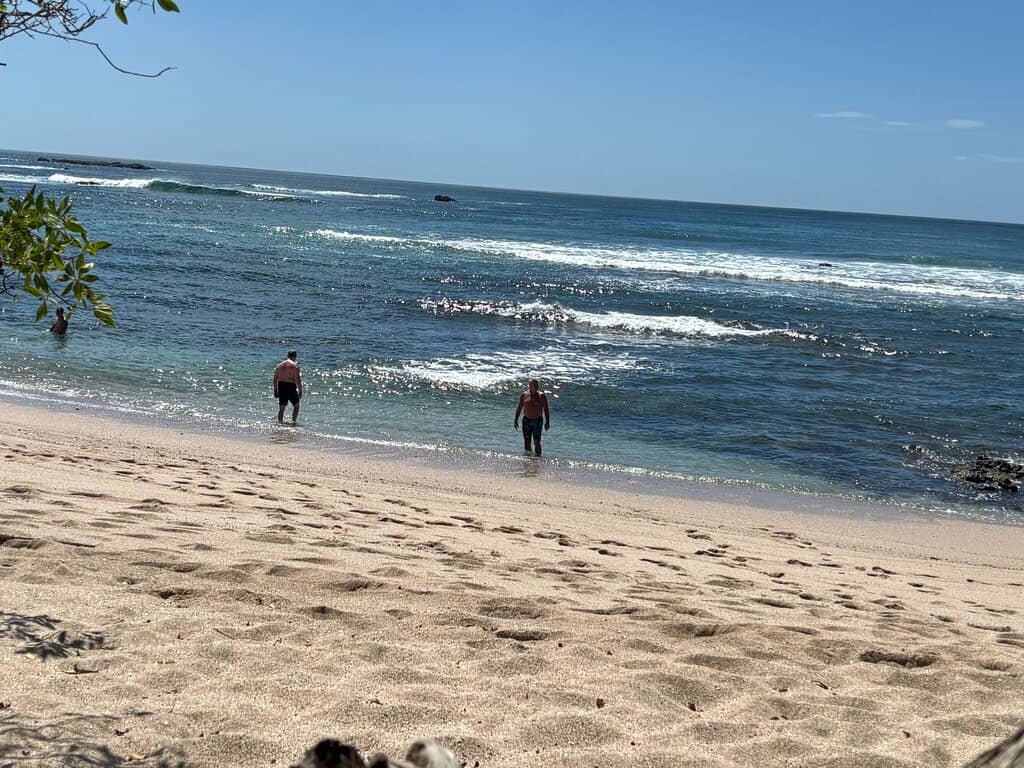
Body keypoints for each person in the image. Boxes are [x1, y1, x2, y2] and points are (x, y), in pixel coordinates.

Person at [513, 378, 550, 456]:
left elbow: (546, 409)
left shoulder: (541, 396)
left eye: (537, 385)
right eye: (534, 385)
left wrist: (547, 422)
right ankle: (528, 459)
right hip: (526, 420)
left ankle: (538, 458)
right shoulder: (524, 395)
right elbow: (519, 408)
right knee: (527, 441)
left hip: (537, 421)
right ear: (530, 386)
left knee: (537, 441)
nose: (536, 387)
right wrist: (516, 420)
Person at [273, 350, 302, 425]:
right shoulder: (295, 365)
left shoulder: (279, 365)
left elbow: (275, 379)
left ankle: (280, 423)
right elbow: (297, 379)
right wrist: (300, 390)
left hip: (281, 385)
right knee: (296, 405)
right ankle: (293, 422)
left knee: (282, 407)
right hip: (290, 385)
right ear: (295, 356)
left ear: (288, 355)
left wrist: (276, 389)